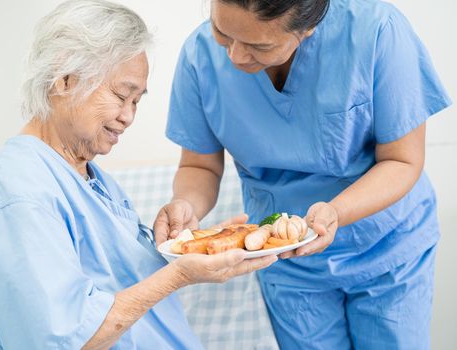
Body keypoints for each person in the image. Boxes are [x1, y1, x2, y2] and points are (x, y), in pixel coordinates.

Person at [0, 1, 277, 349]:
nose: (129, 117)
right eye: (121, 95)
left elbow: (119, 284)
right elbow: (60, 339)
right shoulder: (13, 187)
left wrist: (191, 245)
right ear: (65, 80)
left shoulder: (92, 180)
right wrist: (179, 275)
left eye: (137, 102)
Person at [153, 0, 452, 348]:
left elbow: (402, 161)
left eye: (259, 46)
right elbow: (199, 165)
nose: (234, 56)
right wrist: (187, 204)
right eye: (222, 32)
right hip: (285, 256)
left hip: (385, 247)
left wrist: (335, 212)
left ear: (308, 26)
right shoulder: (199, 56)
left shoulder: (377, 32)